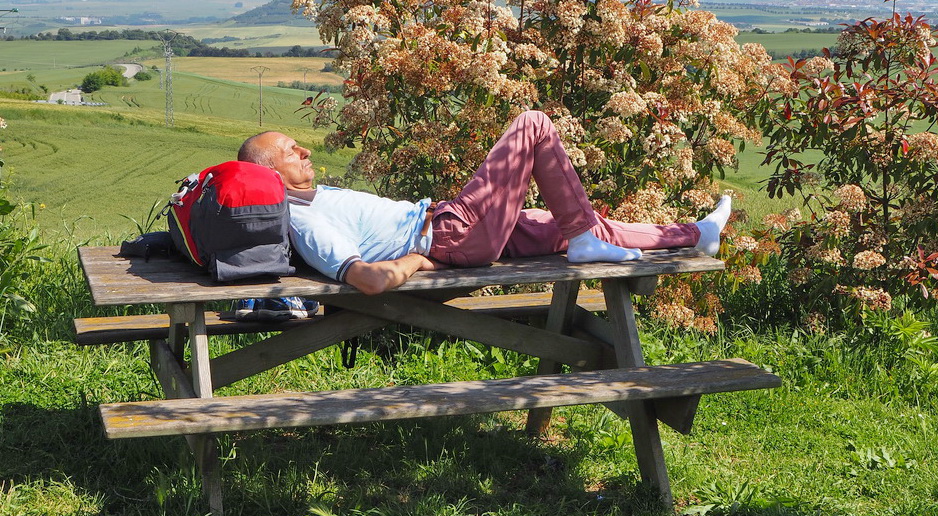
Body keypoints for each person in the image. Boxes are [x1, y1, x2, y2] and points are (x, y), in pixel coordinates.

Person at [238, 110, 732, 296]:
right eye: (289, 151)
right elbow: (368, 279)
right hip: (451, 232)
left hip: (450, 230)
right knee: (533, 124)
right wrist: (418, 257)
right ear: (268, 172)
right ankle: (583, 239)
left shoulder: (315, 196)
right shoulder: (305, 219)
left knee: (577, 222)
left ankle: (696, 235)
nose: (303, 150)